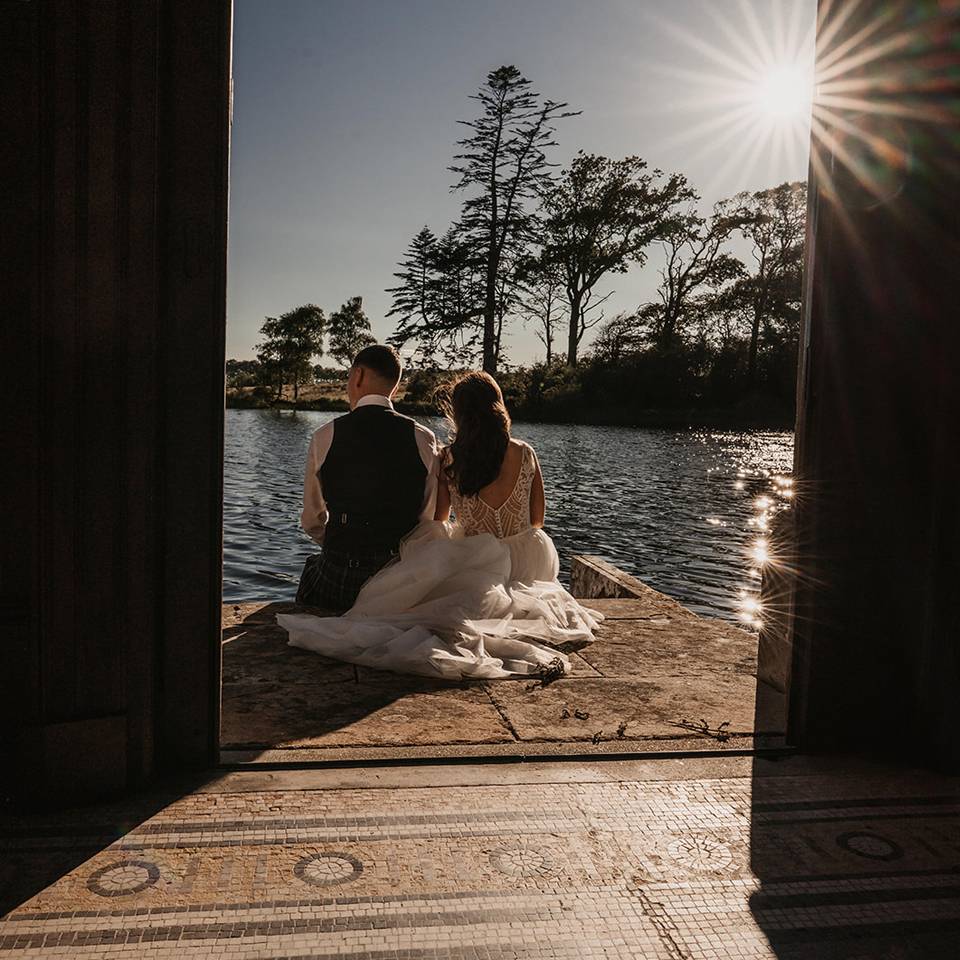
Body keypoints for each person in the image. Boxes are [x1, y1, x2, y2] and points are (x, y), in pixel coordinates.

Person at [279, 371, 602, 679]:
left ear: (459, 414)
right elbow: (536, 519)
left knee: (418, 603)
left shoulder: (449, 458)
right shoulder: (525, 452)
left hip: (478, 562)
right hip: (526, 558)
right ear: (498, 405)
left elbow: (439, 518)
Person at [295, 343, 440, 612]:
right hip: (397, 582)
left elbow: (312, 520)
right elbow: (427, 520)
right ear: (394, 388)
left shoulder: (325, 435)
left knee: (312, 570)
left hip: (340, 577)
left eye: (349, 376)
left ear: (358, 375)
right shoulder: (424, 438)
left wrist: (339, 544)